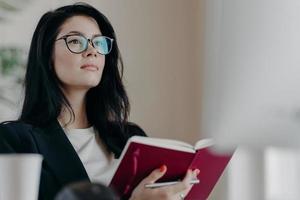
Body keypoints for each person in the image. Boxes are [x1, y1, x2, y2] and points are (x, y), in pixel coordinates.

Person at [0, 3, 199, 200]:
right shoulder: (15, 141)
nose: (92, 51)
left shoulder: (131, 138)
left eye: (99, 42)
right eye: (76, 41)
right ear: (47, 55)